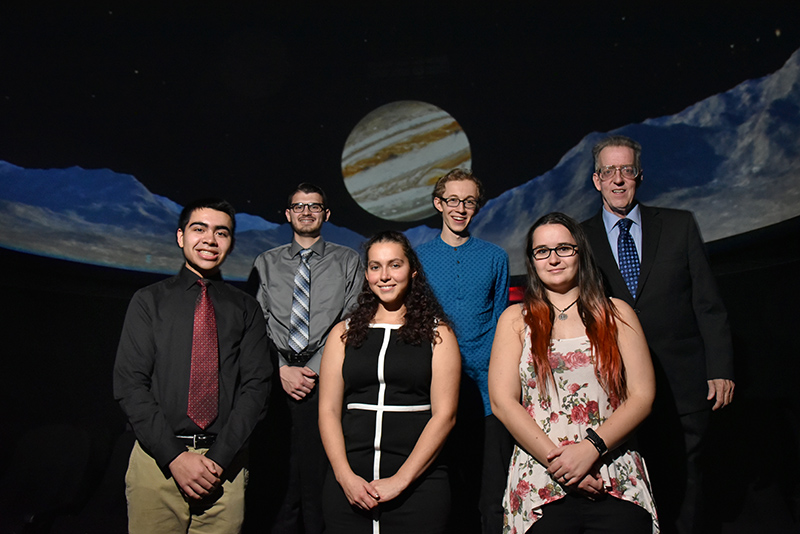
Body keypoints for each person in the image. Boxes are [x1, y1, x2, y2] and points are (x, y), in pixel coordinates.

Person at [581, 135, 734, 534]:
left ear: (640, 177)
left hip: (685, 387)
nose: (618, 180)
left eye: (626, 170)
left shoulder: (679, 225)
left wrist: (720, 367)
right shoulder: (579, 240)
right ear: (596, 180)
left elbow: (708, 303)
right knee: (630, 495)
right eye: (609, 172)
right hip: (616, 392)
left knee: (688, 486)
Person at [489, 212, 658, 534]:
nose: (553, 259)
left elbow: (643, 396)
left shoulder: (616, 312)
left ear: (581, 252)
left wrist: (589, 449)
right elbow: (502, 402)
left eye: (564, 248)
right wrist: (563, 465)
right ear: (532, 260)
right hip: (541, 483)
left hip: (612, 476)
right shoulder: (514, 319)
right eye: (542, 251)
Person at [113, 198, 272, 533]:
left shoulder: (246, 309)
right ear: (180, 236)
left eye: (221, 232)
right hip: (157, 463)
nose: (210, 240)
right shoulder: (148, 301)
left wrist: (217, 459)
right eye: (199, 229)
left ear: (231, 242)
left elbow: (257, 387)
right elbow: (130, 384)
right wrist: (175, 457)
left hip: (224, 468)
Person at [318, 230, 461, 534]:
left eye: (395, 265)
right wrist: (345, 478)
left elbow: (445, 416)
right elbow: (328, 412)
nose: (384, 276)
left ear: (413, 272)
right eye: (375, 266)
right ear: (366, 274)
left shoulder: (439, 334)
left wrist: (400, 481)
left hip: (418, 489)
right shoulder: (341, 334)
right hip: (349, 488)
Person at [249, 183, 362, 534]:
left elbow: (352, 317)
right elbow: (256, 323)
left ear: (326, 214)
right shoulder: (265, 263)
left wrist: (312, 371)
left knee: (319, 486)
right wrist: (281, 369)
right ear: (288, 214)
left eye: (314, 206)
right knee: (277, 482)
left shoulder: (348, 260)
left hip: (326, 383)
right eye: (299, 206)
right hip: (275, 382)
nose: (307, 211)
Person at [415, 168, 511, 534]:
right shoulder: (418, 259)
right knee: (443, 494)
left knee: (489, 497)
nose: (460, 208)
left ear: (477, 207)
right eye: (452, 200)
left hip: (488, 393)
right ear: (438, 203)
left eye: (468, 201)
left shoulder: (495, 257)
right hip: (435, 392)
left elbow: (504, 322)